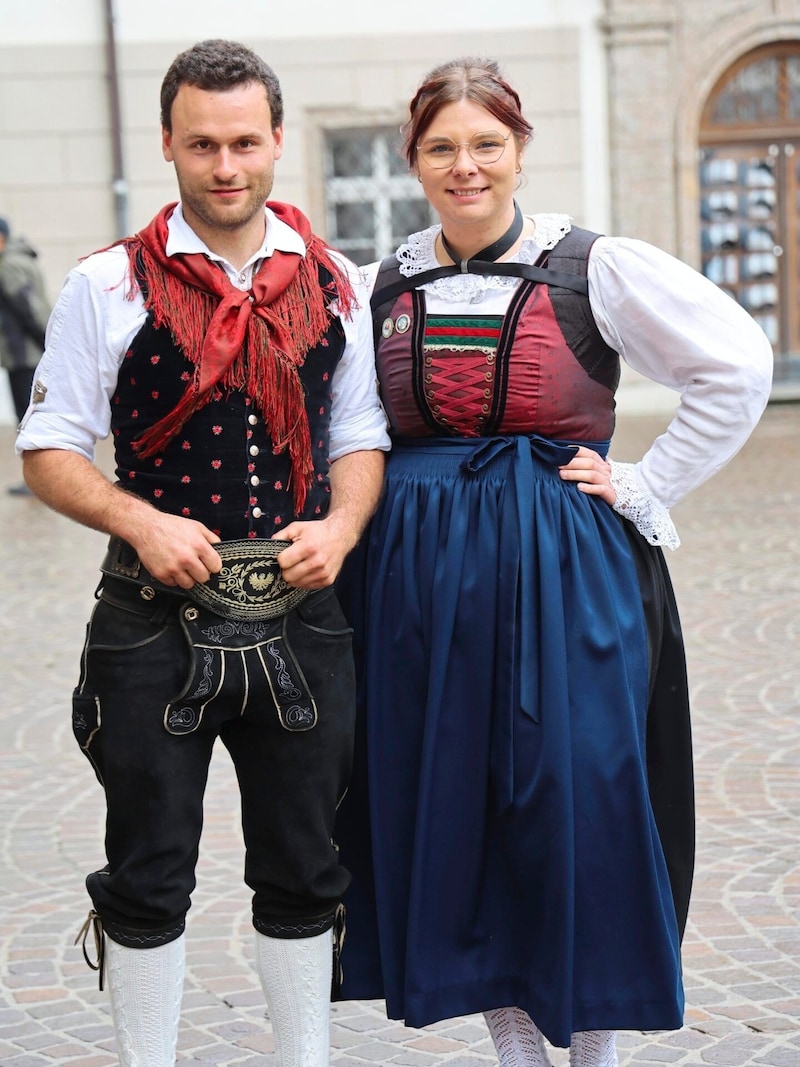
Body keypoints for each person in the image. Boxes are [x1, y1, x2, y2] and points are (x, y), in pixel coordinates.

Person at [333, 57, 773, 1067]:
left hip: (564, 574)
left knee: (576, 803)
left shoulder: (591, 267)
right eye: (441, 147)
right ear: (414, 161)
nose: (465, 165)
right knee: (467, 815)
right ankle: (517, 1057)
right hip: (423, 589)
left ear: (518, 148)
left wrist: (642, 483)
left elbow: (735, 364)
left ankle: (593, 1056)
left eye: (485, 143)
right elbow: (336, 418)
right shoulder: (379, 284)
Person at [15, 38, 389, 1067]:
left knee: (305, 865)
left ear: (275, 141)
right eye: (201, 145)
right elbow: (47, 447)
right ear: (170, 147)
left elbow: (359, 435)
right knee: (147, 868)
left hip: (302, 617)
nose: (225, 166)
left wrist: (344, 525)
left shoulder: (335, 282)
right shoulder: (109, 283)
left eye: (243, 142)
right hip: (150, 620)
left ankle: (302, 1056)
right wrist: (139, 519)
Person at [0, 216, 51, 494]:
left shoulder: (8, 265)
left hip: (23, 356)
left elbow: (29, 310)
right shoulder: (23, 259)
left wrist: (46, 344)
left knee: (27, 420)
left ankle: (36, 482)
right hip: (29, 354)